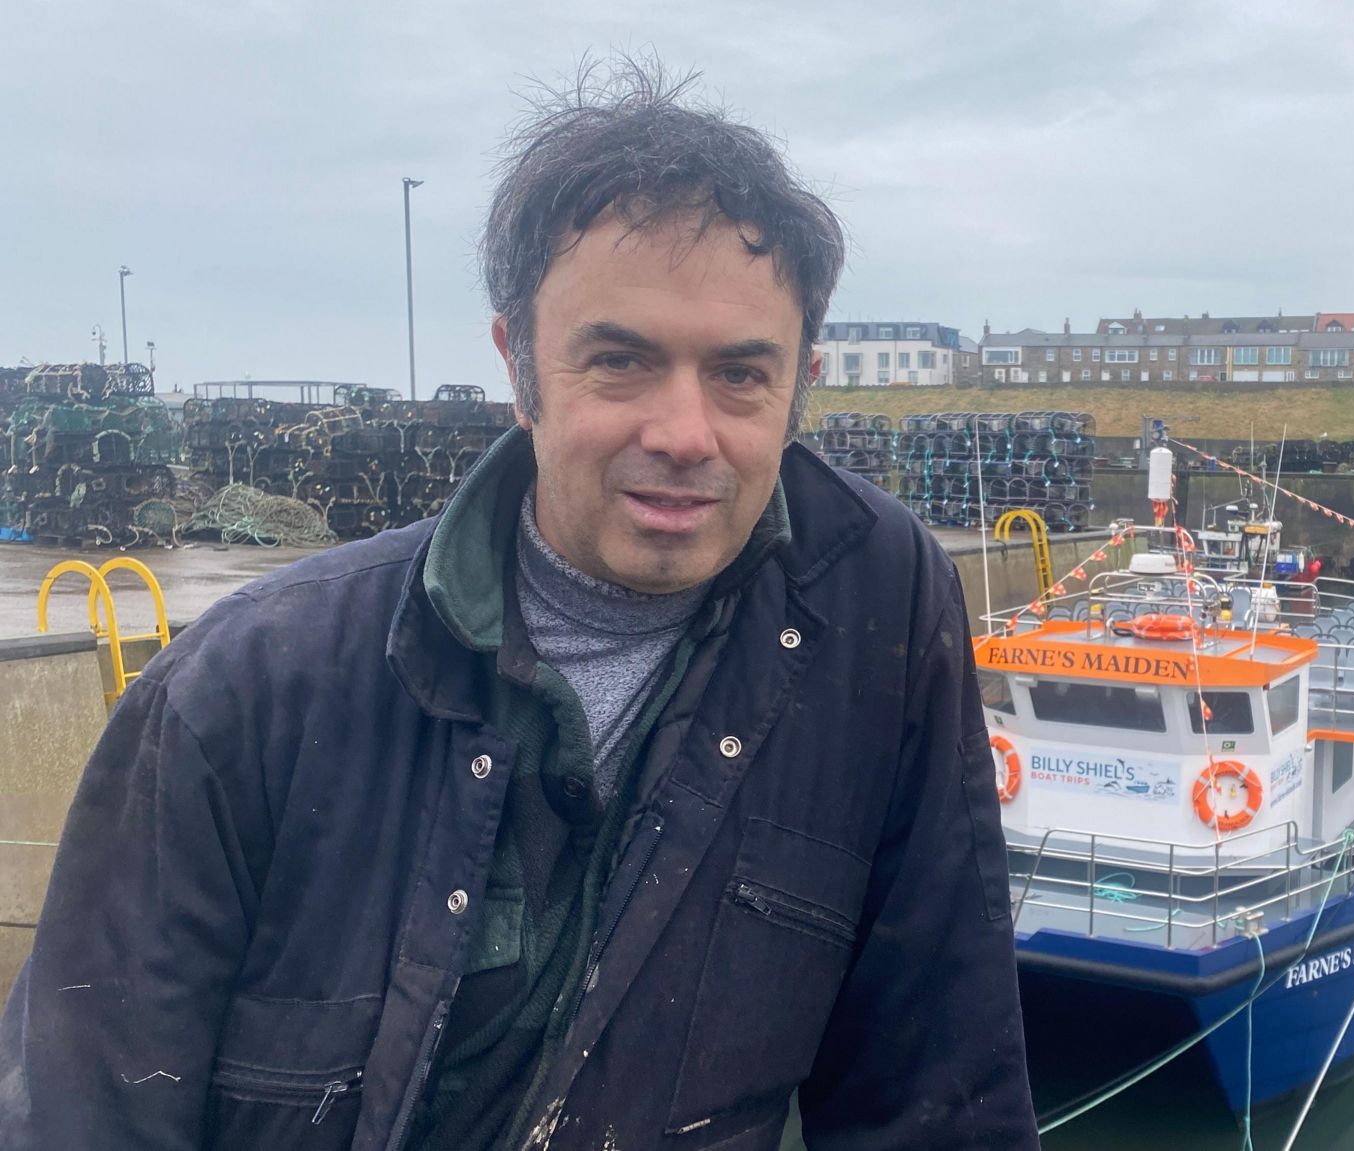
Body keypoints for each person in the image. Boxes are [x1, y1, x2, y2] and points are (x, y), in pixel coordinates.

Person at [0, 59, 1039, 1151]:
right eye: (620, 360)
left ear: (801, 381)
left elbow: (935, 1087)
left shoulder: (877, 606)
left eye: (740, 374)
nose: (686, 433)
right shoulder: (245, 692)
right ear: (519, 363)